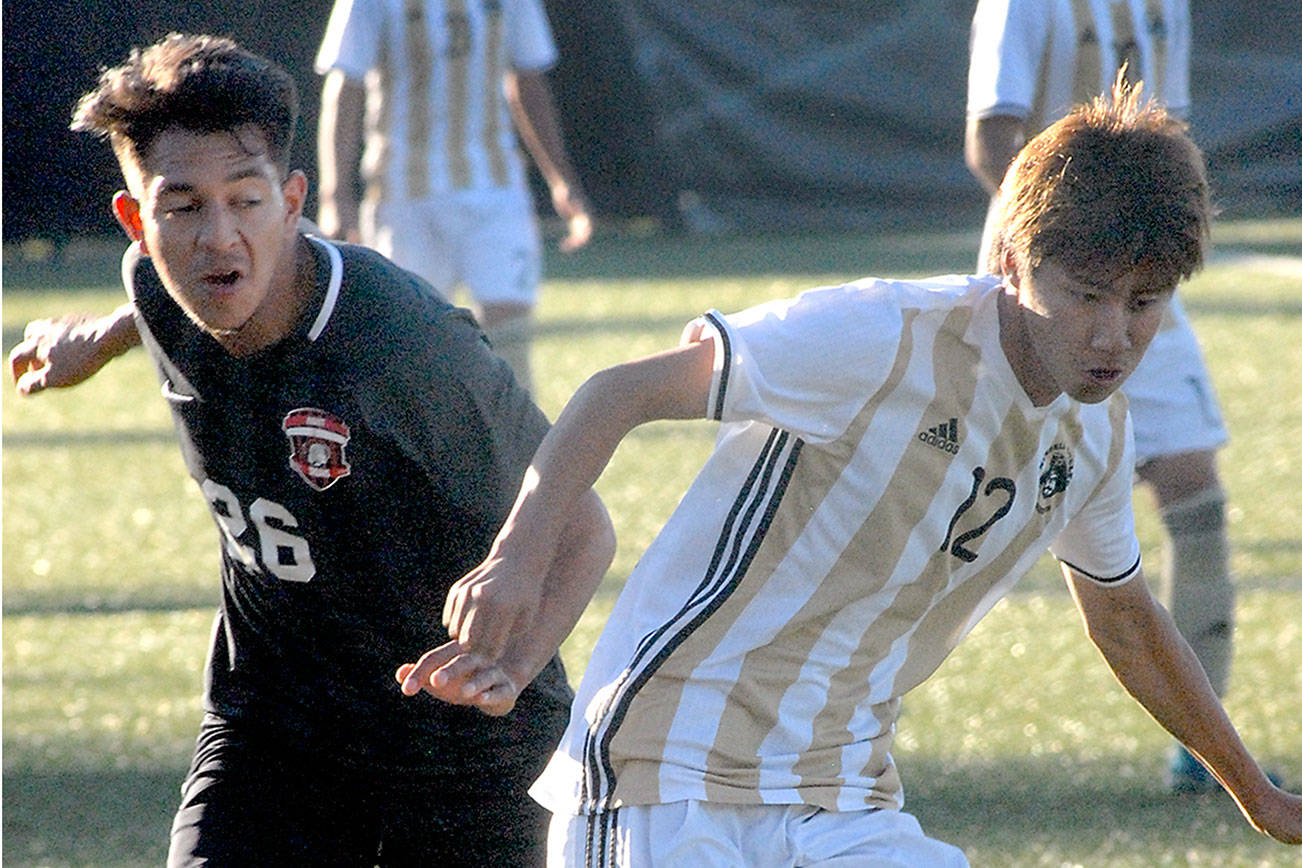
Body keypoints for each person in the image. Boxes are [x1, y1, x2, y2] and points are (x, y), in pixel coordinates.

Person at [397, 81, 1302, 866]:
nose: (1114, 335)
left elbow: (1125, 619)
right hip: (667, 775)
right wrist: (515, 559)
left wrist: (1257, 795)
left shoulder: (1095, 435)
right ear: (1012, 262)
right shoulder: (884, 338)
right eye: (1086, 294)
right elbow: (617, 392)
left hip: (842, 800)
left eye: (1145, 303)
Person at [8, 33, 614, 866]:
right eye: (183, 207)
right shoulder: (156, 286)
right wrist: (95, 342)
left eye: (246, 200)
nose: (219, 237)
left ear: (292, 202)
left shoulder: (397, 340)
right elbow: (160, 297)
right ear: (137, 223)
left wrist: (515, 665)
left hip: (467, 752)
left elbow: (584, 527)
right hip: (273, 730)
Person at [964, 0, 1236, 793]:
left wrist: (1157, 253)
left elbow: (1170, 135)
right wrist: (1069, 257)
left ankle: (1205, 757)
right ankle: (852, 717)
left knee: (1198, 499)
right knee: (955, 508)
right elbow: (991, 138)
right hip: (1054, 291)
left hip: (1141, 291)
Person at [314, 0, 593, 393]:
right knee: (409, 351)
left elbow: (527, 81)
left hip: (496, 192)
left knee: (508, 345)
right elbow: (346, 86)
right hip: (403, 198)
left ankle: (508, 434)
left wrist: (560, 178)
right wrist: (335, 194)